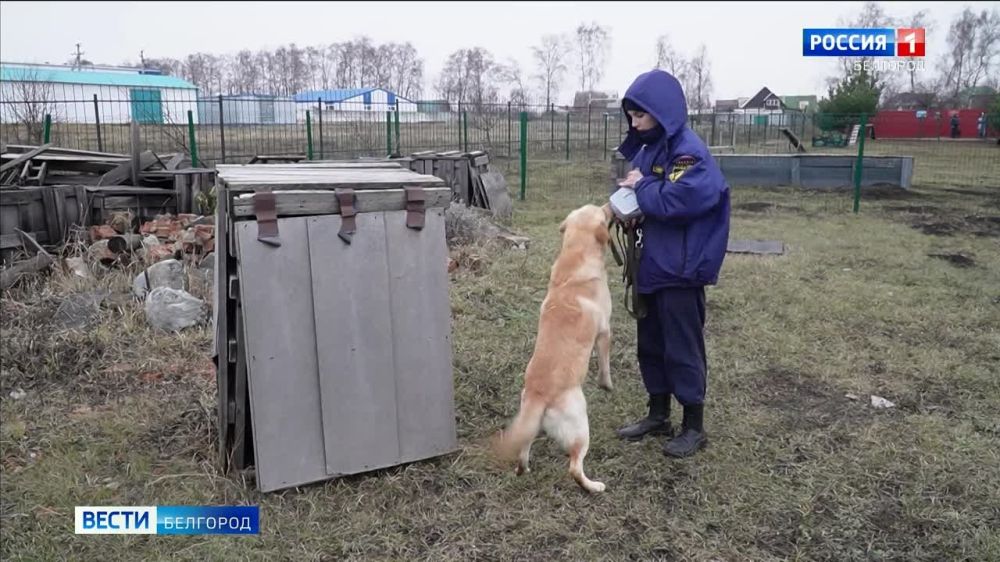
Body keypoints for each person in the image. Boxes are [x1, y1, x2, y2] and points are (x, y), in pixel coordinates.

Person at [612, 69, 730, 458]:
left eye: (640, 116)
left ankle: (693, 425)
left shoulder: (688, 152)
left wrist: (641, 187)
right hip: (652, 264)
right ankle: (658, 414)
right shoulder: (650, 148)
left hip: (680, 269)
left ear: (661, 111)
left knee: (682, 346)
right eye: (630, 117)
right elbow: (648, 195)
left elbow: (679, 200)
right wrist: (633, 204)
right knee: (652, 344)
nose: (634, 123)